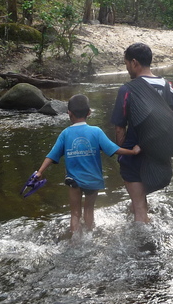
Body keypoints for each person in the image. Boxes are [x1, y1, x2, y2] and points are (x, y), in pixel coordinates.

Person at [35, 94, 141, 234]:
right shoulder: (96, 132)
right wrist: (132, 152)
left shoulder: (65, 134)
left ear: (69, 113)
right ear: (89, 112)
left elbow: (51, 155)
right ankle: (89, 237)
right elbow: (114, 149)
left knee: (74, 214)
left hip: (74, 181)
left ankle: (75, 243)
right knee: (89, 211)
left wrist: (40, 172)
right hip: (93, 180)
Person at [111, 42, 173, 223]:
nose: (127, 69)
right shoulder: (168, 86)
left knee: (139, 208)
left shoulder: (127, 90)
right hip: (159, 154)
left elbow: (120, 127)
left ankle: (142, 247)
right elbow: (171, 121)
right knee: (138, 203)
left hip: (134, 156)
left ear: (134, 63)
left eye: (126, 64)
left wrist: (122, 153)